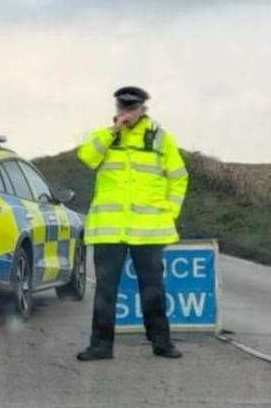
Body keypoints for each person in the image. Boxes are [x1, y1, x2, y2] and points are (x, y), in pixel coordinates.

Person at [76, 86, 189, 361]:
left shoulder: (160, 138)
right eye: (122, 109)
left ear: (143, 109)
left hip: (148, 229)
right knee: (105, 290)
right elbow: (86, 157)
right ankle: (100, 345)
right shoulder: (106, 137)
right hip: (110, 230)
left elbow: (179, 177)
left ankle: (161, 342)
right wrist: (113, 130)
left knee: (153, 288)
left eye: (132, 109)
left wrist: (169, 212)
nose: (126, 113)